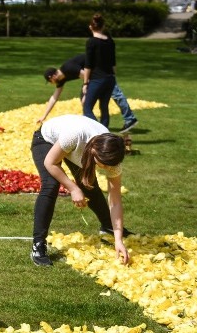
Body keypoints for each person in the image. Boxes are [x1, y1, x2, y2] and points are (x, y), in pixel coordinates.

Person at [30, 114, 131, 268]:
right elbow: (50, 163)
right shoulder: (75, 136)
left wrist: (118, 240)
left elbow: (115, 201)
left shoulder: (112, 159)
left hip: (76, 147)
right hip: (46, 139)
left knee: (89, 186)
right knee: (51, 184)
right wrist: (73, 188)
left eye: (107, 166)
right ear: (94, 149)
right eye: (101, 164)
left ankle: (108, 226)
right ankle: (38, 245)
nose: (104, 168)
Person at [39, 54, 138, 133]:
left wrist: (87, 91)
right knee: (91, 102)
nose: (52, 83)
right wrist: (44, 116)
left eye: (50, 81)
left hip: (102, 70)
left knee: (115, 94)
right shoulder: (61, 78)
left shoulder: (68, 68)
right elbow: (54, 98)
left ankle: (129, 119)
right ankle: (98, 128)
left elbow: (88, 76)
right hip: (94, 75)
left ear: (52, 77)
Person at [82, 13, 118, 129]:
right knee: (104, 107)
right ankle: (104, 133)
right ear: (103, 26)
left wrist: (86, 82)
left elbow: (88, 65)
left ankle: (99, 132)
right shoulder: (110, 41)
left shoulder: (91, 42)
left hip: (97, 79)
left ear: (90, 27)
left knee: (87, 108)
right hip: (110, 78)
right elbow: (113, 64)